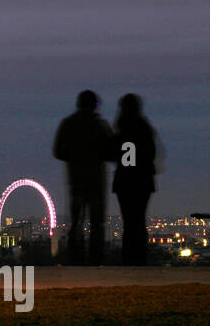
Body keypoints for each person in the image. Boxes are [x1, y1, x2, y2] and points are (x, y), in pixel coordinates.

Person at [53, 90, 113, 265]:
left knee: (75, 223)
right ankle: (95, 260)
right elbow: (112, 151)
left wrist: (73, 158)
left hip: (76, 181)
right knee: (96, 224)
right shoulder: (100, 125)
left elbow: (57, 150)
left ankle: (75, 259)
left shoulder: (68, 124)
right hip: (96, 182)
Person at [111, 93, 161, 266]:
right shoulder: (144, 128)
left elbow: (120, 155)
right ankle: (139, 258)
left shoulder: (123, 130)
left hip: (125, 182)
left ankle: (129, 259)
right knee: (139, 221)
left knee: (129, 223)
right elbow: (151, 154)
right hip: (143, 181)